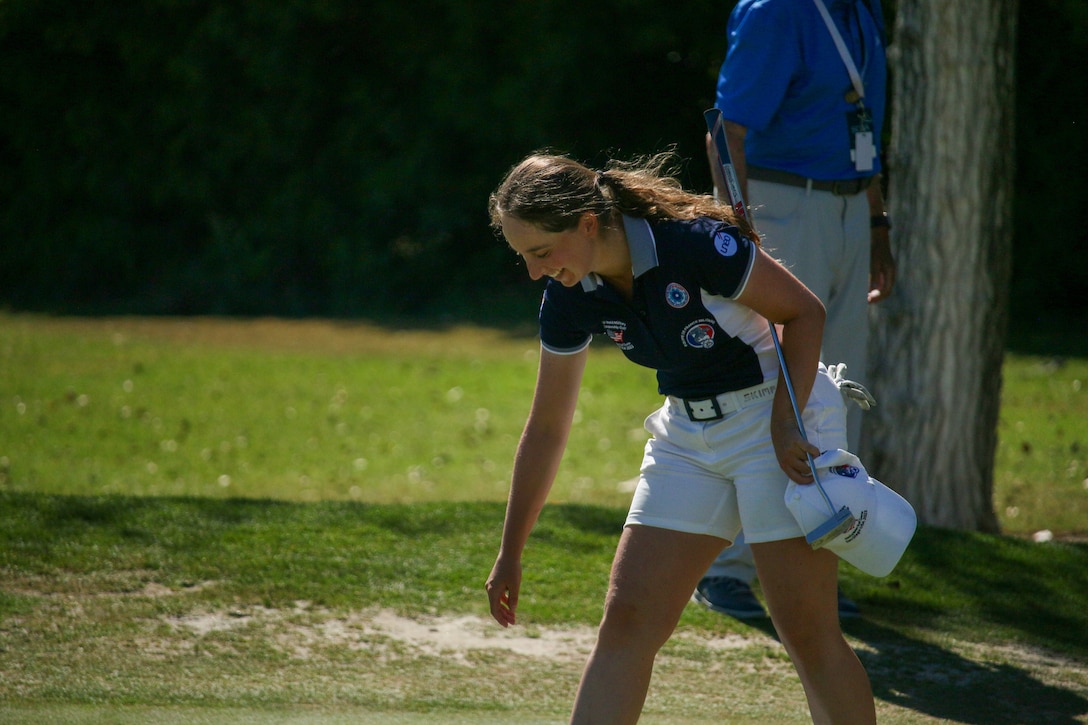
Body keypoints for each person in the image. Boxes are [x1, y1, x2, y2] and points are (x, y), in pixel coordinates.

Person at [484, 150, 877, 724]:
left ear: (588, 224)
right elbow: (546, 427)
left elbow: (804, 312)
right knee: (627, 620)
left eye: (541, 252)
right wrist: (510, 552)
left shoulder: (692, 245)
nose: (536, 272)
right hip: (687, 432)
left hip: (779, 413)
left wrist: (785, 421)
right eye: (525, 258)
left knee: (806, 632)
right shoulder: (568, 294)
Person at [697, 0, 897, 621]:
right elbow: (726, 132)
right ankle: (726, 569)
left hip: (846, 211)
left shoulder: (860, 9)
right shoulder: (779, 10)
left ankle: (820, 561)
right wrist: (737, 234)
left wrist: (878, 223)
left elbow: (862, 128)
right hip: (781, 206)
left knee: (835, 393)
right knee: (767, 385)